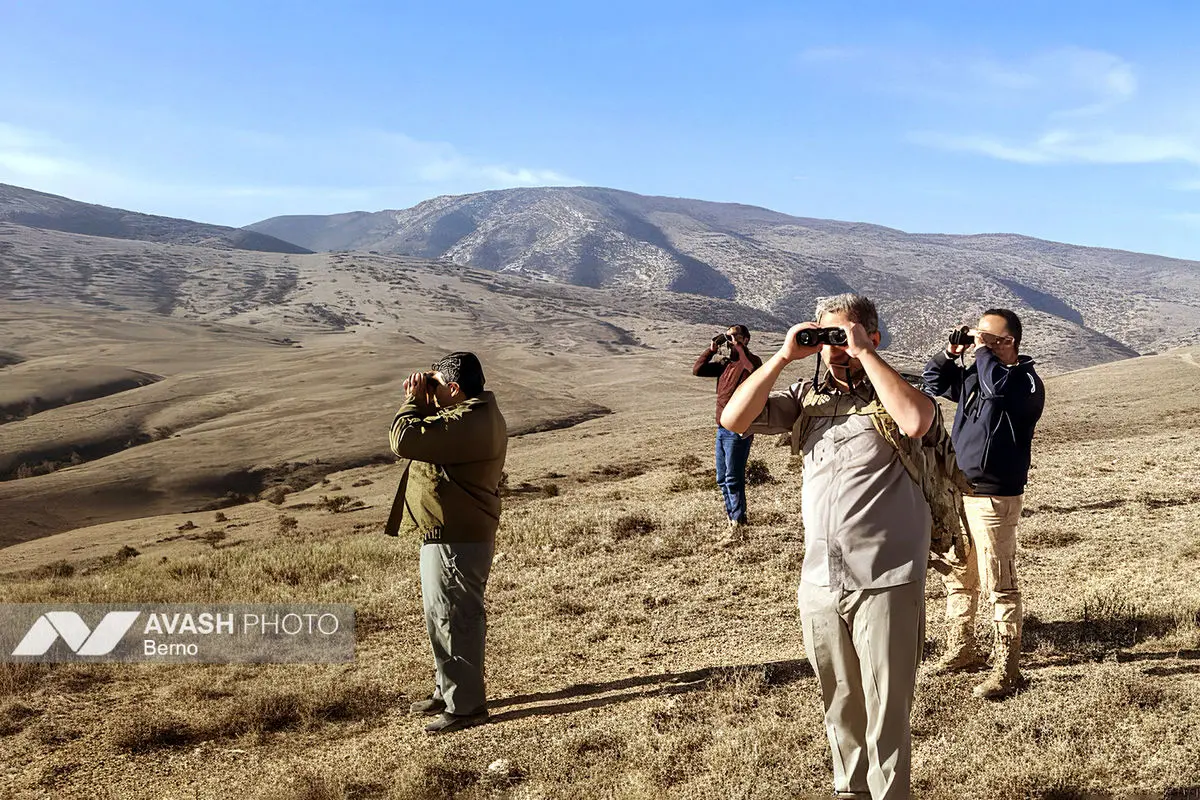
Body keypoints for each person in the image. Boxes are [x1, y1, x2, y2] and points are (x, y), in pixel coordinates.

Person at [722, 294, 936, 800]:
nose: (833, 348)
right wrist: (781, 358)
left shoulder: (896, 390)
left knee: (886, 709)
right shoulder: (805, 397)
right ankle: (850, 792)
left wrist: (864, 354)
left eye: (844, 335)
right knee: (839, 703)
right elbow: (734, 419)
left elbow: (916, 421)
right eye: (826, 337)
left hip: (885, 578)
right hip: (820, 580)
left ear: (872, 336)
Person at [922, 309, 1045, 699]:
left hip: (995, 494)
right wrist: (949, 352)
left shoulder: (1024, 383)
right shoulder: (979, 373)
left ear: (1008, 343)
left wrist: (983, 354)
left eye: (988, 338)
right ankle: (961, 648)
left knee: (998, 580)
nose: (980, 344)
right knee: (959, 571)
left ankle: (1007, 667)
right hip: (959, 486)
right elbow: (934, 381)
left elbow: (996, 390)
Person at [385, 351, 508, 734]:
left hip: (458, 536)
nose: (430, 390)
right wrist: (429, 401)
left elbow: (404, 440)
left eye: (437, 384)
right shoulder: (472, 412)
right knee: (443, 617)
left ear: (454, 389)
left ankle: (466, 706)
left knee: (457, 620)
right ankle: (447, 690)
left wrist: (412, 402)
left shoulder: (470, 420)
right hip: (451, 531)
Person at [693, 325, 763, 530]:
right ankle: (732, 518)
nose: (730, 339)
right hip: (722, 428)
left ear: (746, 339)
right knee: (722, 478)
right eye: (728, 336)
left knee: (734, 477)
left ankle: (739, 521)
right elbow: (697, 370)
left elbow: (753, 370)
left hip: (739, 428)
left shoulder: (752, 361)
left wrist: (739, 348)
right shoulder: (725, 364)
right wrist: (712, 350)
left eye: (735, 336)